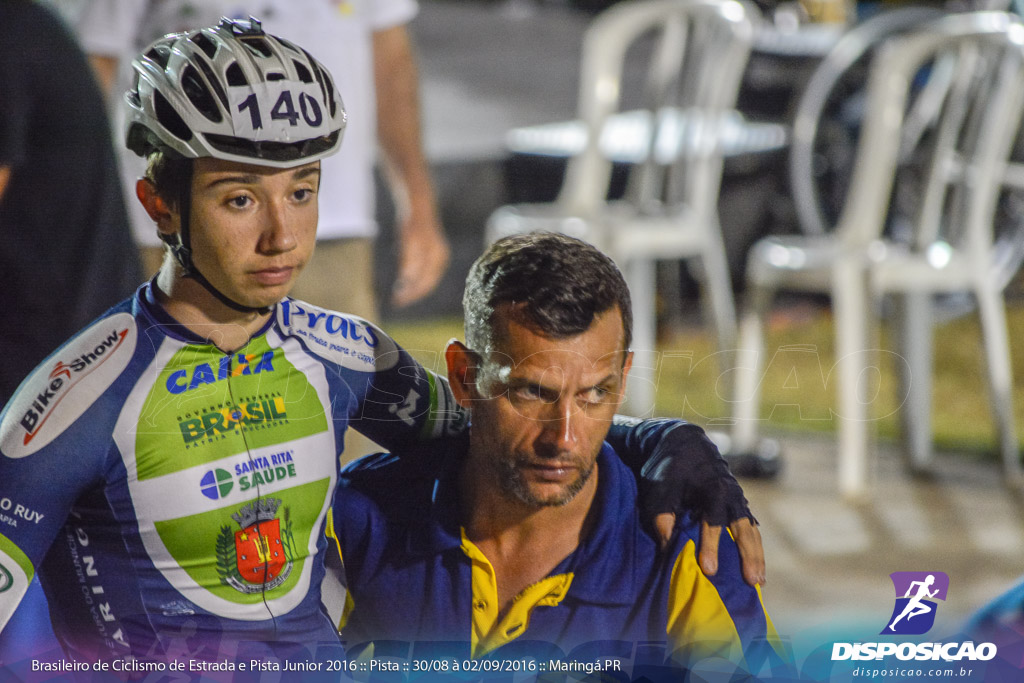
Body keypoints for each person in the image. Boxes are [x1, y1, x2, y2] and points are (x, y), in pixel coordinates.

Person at [0, 18, 761, 671]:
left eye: (301, 189)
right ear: (158, 202)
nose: (283, 234)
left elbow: (510, 424)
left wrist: (660, 440)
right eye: (239, 197)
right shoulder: (74, 400)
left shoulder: (347, 357)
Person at [332, 233, 780, 676]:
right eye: (531, 392)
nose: (563, 439)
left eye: (593, 394)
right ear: (464, 377)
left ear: (623, 381)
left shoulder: (694, 554)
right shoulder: (357, 523)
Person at [75, 0, 449, 319]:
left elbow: (390, 60)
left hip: (332, 218)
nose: (280, 239)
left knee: (342, 392)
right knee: (181, 385)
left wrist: (418, 202)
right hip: (182, 224)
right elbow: (96, 61)